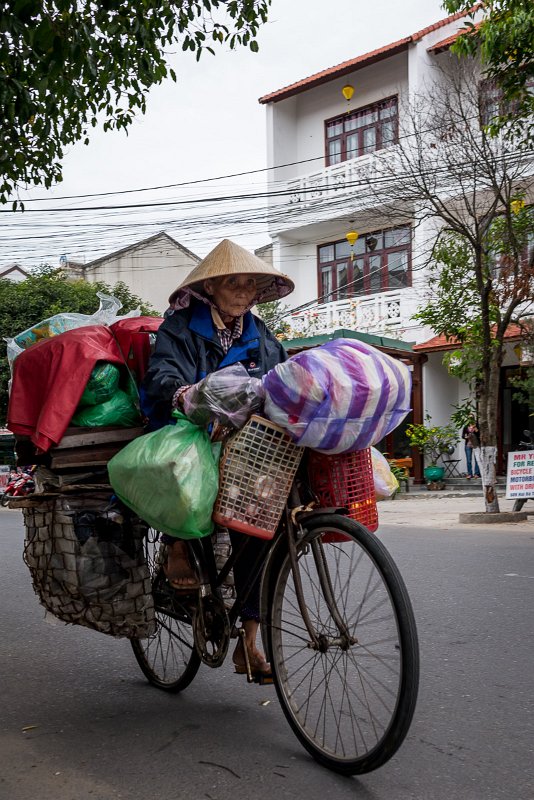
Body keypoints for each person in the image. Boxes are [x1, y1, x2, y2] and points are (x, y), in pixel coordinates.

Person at [141, 239, 294, 678]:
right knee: (191, 490)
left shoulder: (261, 334)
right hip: (186, 429)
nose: (243, 292)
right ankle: (176, 543)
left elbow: (281, 378)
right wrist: (187, 395)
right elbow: (162, 376)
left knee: (262, 528)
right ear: (212, 289)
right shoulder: (180, 328)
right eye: (234, 283)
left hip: (244, 442)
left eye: (250, 284)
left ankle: (250, 643)